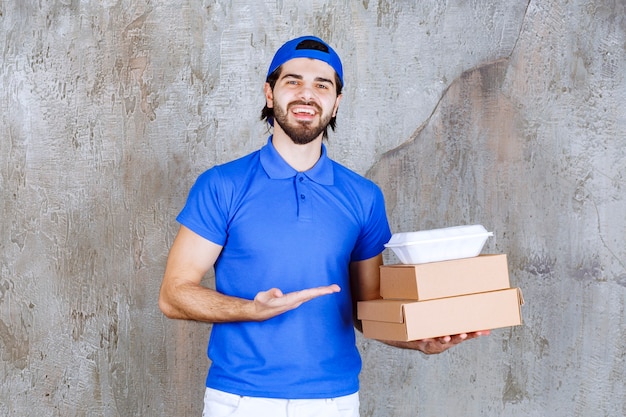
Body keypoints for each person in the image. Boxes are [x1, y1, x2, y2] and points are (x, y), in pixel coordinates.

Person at [159, 35, 489, 417]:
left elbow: (368, 310)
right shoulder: (222, 185)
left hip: (334, 402)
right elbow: (173, 294)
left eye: (322, 85)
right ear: (269, 93)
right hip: (240, 400)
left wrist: (418, 340)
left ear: (336, 104)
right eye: (292, 81)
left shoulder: (363, 197)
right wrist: (252, 309)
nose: (306, 94)